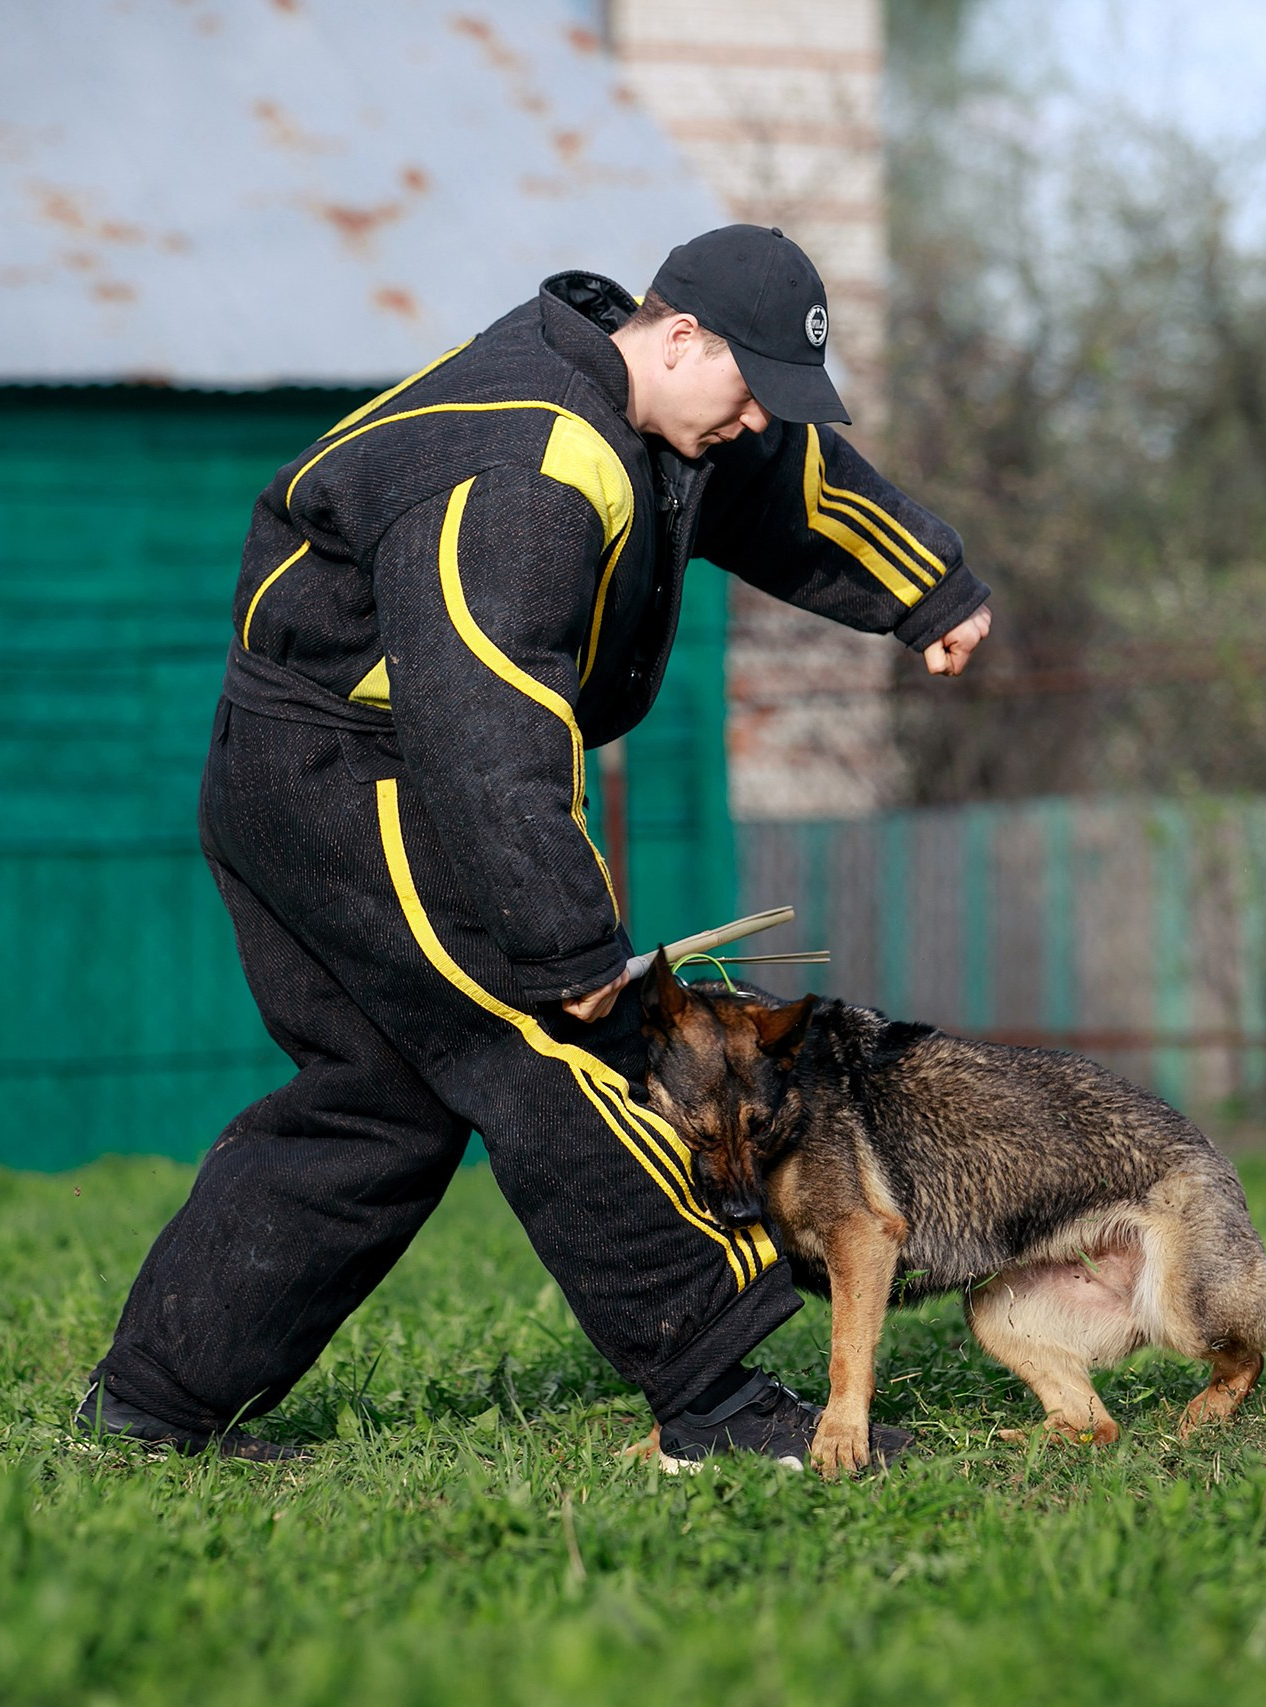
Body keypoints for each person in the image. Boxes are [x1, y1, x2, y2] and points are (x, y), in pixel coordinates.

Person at [80, 226, 992, 1468]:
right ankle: (718, 1402)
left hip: (305, 768)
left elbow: (785, 479)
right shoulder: (525, 467)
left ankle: (152, 1406)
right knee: (554, 1041)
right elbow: (479, 718)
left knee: (375, 1107)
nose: (753, 424)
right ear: (681, 339)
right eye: (748, 390)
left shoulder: (646, 405)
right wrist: (563, 938)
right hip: (362, 775)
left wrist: (928, 587)